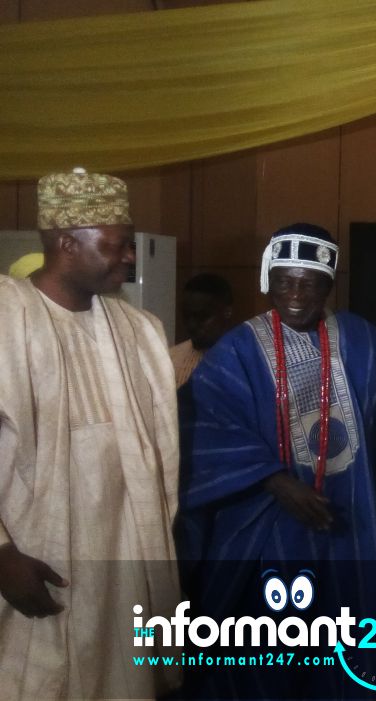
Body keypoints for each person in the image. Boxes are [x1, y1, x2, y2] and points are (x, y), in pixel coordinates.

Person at [177, 223, 376, 698]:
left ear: (330, 286)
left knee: (351, 646)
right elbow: (201, 425)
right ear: (268, 281)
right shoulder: (238, 350)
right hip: (268, 530)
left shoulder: (363, 342)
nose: (297, 296)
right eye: (285, 282)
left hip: (351, 527)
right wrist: (274, 480)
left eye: (311, 284)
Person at [0, 169, 180, 699]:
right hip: (35, 564)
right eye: (117, 244)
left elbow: (161, 461)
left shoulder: (140, 332)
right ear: (67, 244)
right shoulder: (6, 321)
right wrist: (1, 555)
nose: (130, 256)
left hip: (123, 565)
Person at [169, 272, 235, 387]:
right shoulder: (170, 360)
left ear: (227, 312)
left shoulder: (244, 364)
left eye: (202, 317)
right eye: (186, 316)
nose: (192, 325)